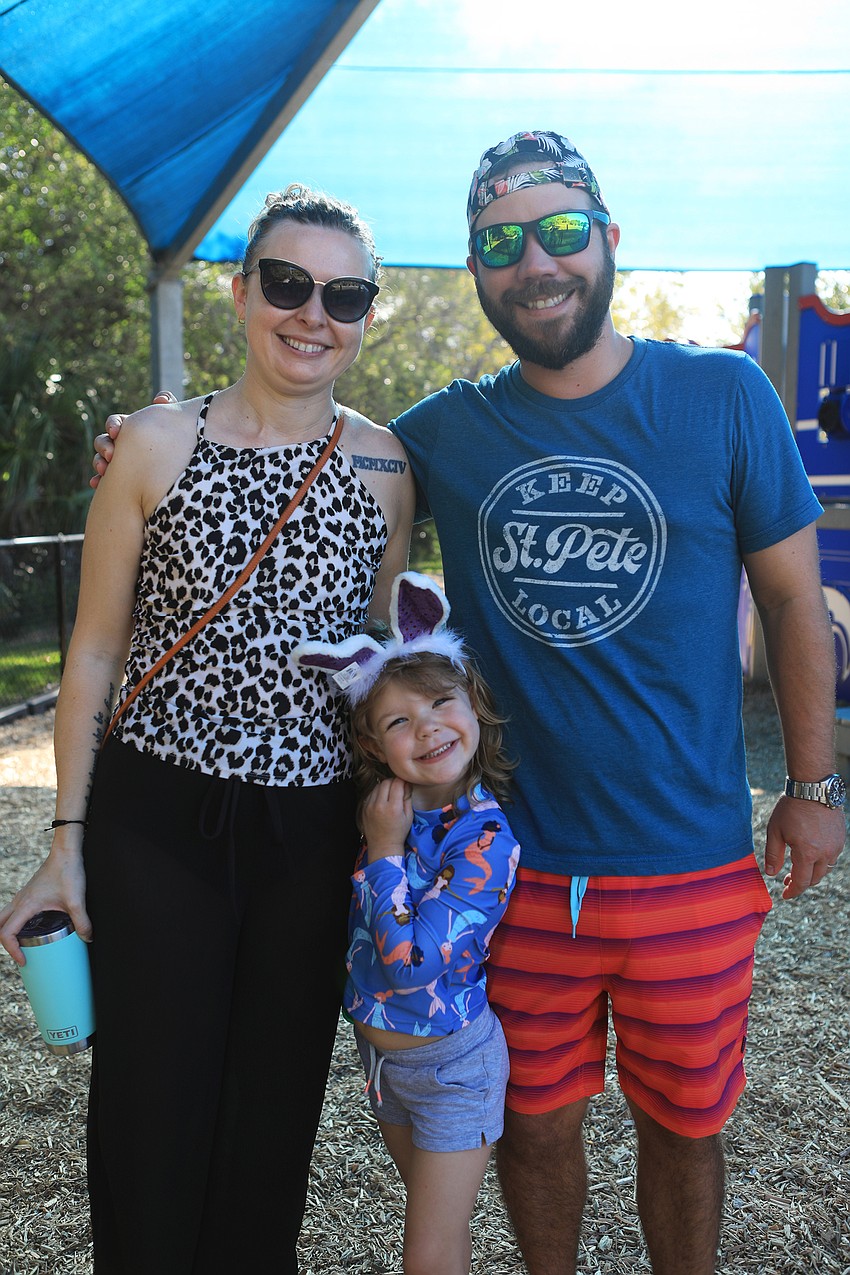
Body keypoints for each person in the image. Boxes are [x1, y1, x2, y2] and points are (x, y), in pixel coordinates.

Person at [89, 131, 846, 1275]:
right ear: (477, 267)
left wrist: (810, 784)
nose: (535, 261)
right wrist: (152, 436)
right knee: (532, 1133)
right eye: (501, 242)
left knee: (686, 1128)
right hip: (511, 864)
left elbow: (794, 603)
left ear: (607, 242)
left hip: (689, 859)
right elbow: (303, 430)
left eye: (559, 231)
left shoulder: (723, 395)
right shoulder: (440, 434)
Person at [0, 183, 413, 1274]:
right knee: (151, 1102)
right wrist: (64, 843)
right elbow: (92, 652)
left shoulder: (384, 466)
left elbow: (377, 653)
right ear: (240, 293)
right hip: (158, 817)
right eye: (286, 283)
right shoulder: (149, 445)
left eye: (345, 293)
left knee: (273, 1112)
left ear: (369, 314)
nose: (311, 314)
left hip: (311, 832)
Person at [295, 569, 520, 1274]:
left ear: (474, 706)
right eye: (399, 720)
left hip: (455, 1067)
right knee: (442, 1243)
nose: (425, 727)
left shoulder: (485, 839)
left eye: (440, 703)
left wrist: (386, 853)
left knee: (424, 1255)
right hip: (386, 1066)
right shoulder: (389, 807)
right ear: (372, 744)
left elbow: (414, 962)